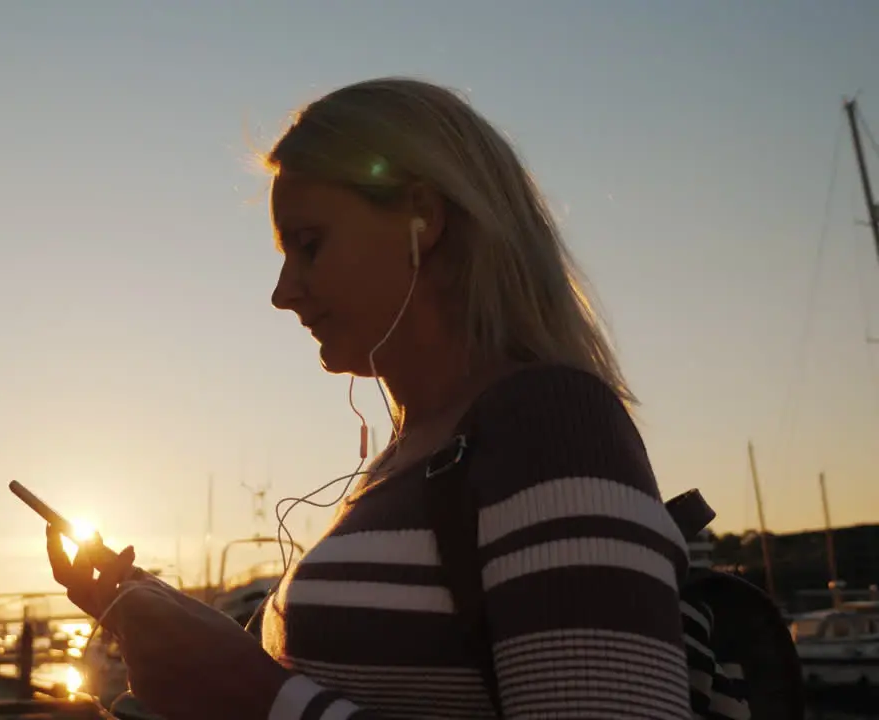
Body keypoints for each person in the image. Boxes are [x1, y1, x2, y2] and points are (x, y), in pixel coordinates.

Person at [47, 77, 692, 720]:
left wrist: (254, 695)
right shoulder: (415, 456)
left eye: (309, 245)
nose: (282, 292)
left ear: (424, 219)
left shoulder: (552, 427)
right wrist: (172, 630)